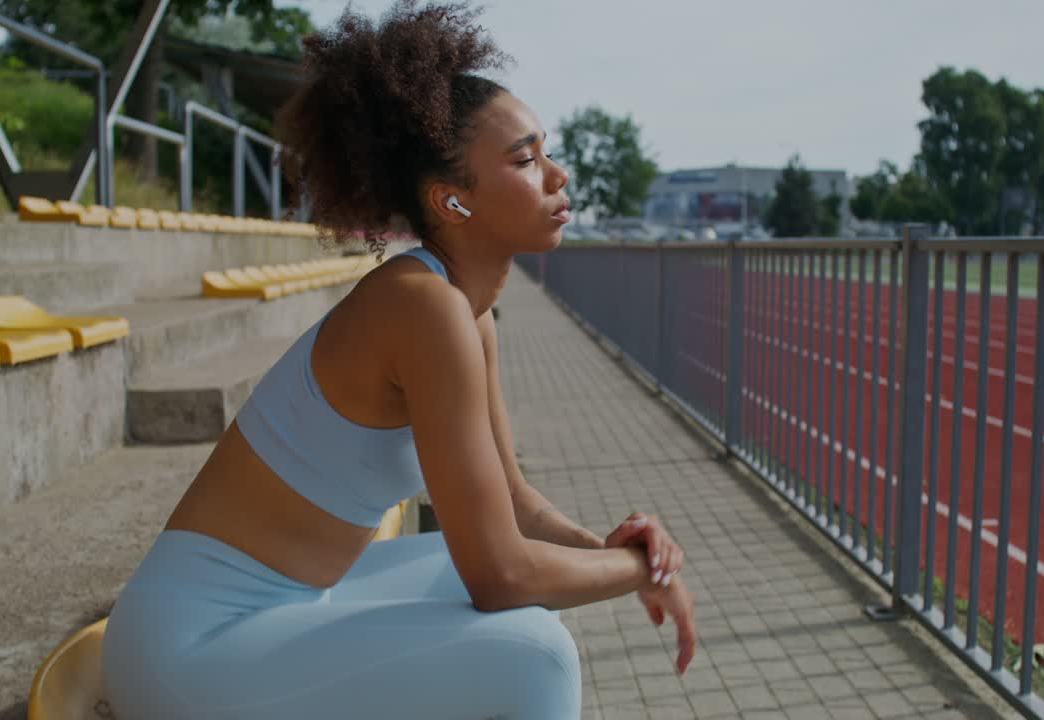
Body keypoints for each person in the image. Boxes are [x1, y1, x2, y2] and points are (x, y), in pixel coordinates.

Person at [101, 2, 696, 718]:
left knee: (521, 602)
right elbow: (499, 575)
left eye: (546, 152)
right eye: (526, 159)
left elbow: (513, 504)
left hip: (279, 606)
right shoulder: (423, 306)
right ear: (453, 200)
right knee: (536, 651)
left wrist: (617, 551)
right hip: (187, 653)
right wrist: (635, 573)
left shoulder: (466, 317)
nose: (558, 176)